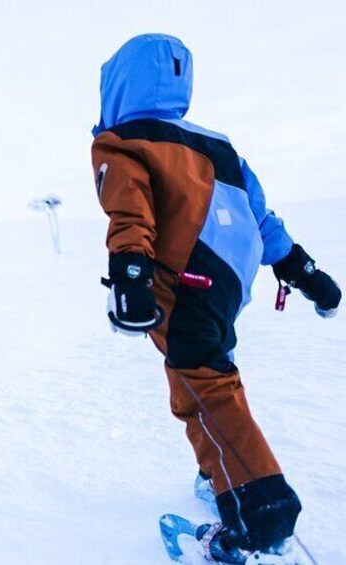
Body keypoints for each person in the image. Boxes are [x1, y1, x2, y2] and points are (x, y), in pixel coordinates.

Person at [91, 35, 340, 562]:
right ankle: (218, 473)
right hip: (225, 287)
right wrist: (307, 274)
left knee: (206, 387)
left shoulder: (123, 140)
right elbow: (263, 221)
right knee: (193, 383)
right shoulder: (220, 146)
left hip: (179, 285)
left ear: (116, 86)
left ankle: (261, 520)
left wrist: (131, 275)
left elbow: (129, 211)